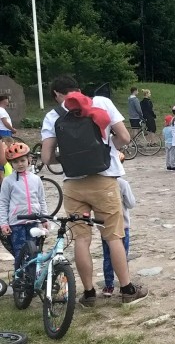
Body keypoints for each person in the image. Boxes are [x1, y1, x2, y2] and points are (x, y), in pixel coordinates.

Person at [40, 75, 148, 305]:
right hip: (104, 180)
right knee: (113, 237)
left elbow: (47, 157)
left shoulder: (53, 116)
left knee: (81, 239)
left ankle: (89, 294)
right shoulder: (101, 102)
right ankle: (127, 290)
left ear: (56, 95)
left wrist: (69, 158)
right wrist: (106, 149)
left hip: (73, 186)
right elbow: (125, 137)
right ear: (79, 89)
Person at [0, 142, 47, 270]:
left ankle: (31, 280)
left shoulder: (36, 179)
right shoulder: (8, 181)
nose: (20, 164)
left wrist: (44, 218)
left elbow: (41, 199)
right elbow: (3, 203)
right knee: (20, 253)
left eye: (22, 160)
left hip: (33, 221)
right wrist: (4, 223)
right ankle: (19, 280)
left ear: (29, 160)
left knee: (34, 253)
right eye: (15, 162)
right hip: (16, 223)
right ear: (11, 164)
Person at [101, 178, 136, 297]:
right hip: (122, 225)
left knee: (107, 256)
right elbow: (131, 203)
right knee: (122, 256)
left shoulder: (99, 182)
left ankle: (108, 285)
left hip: (105, 226)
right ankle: (124, 284)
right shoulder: (122, 183)